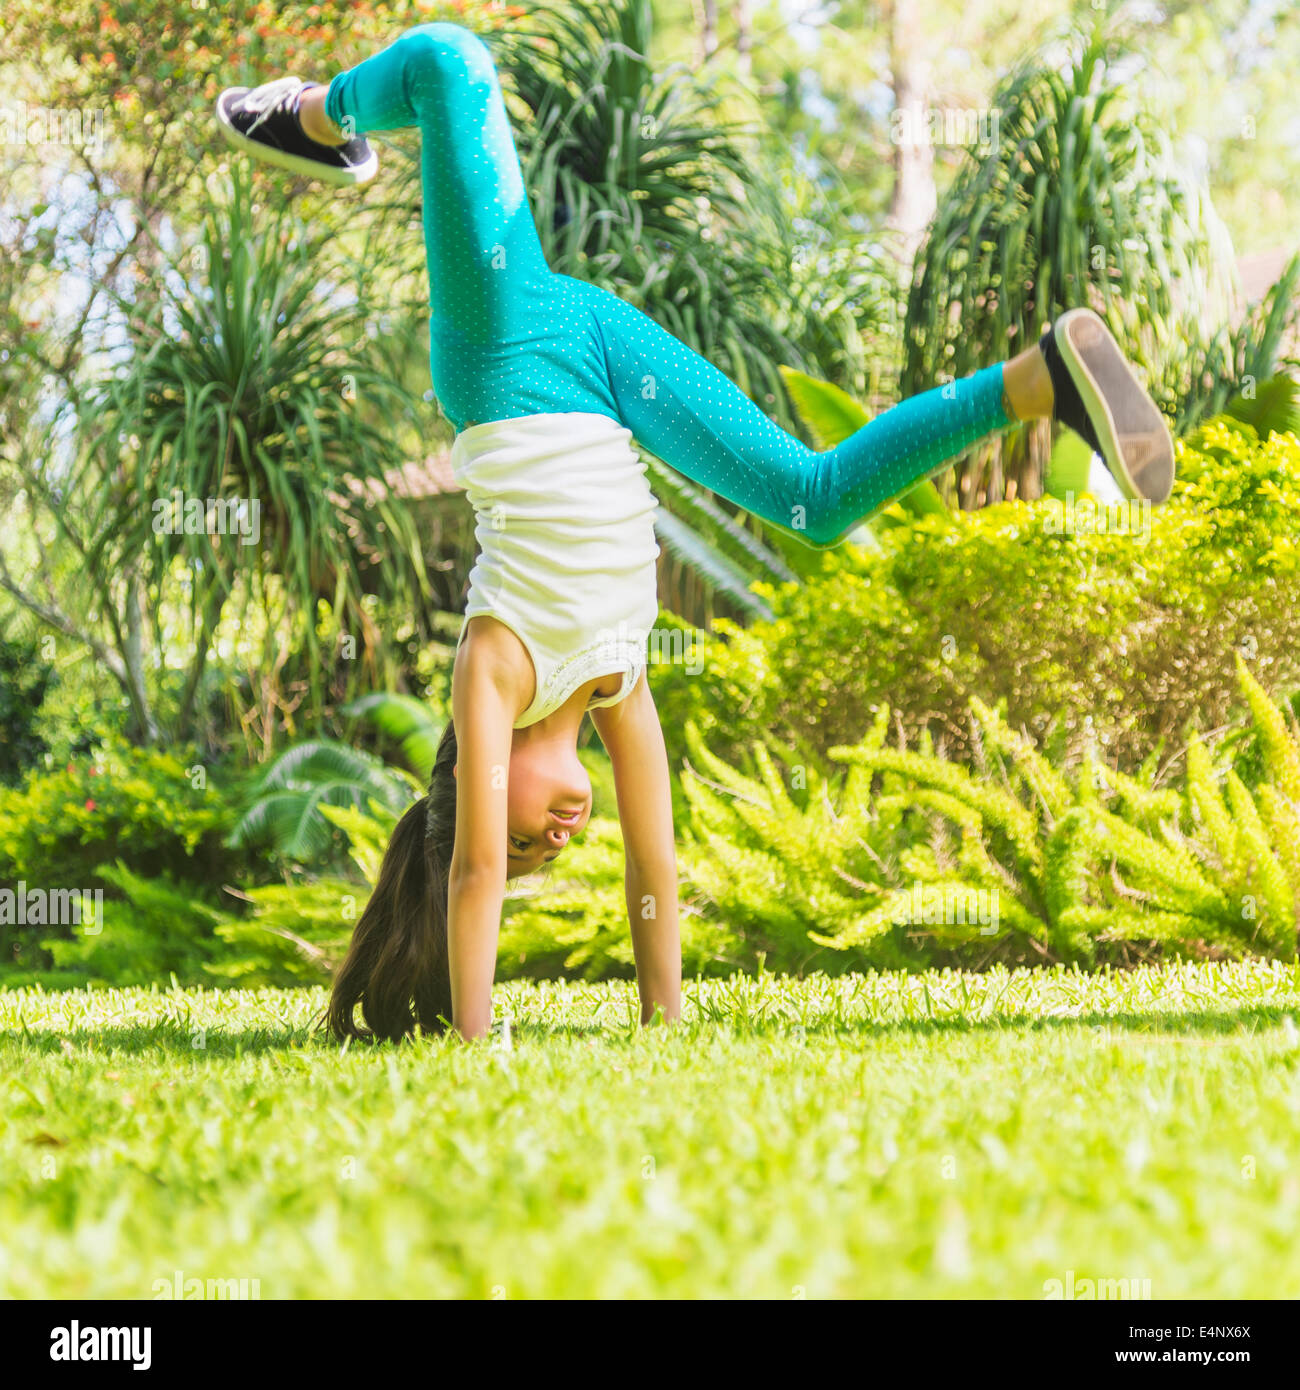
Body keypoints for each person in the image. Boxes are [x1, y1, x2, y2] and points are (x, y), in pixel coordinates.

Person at [215, 21, 1175, 1043]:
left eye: (528, 840)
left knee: (452, 64)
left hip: (499, 350)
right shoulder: (619, 678)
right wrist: (663, 1023)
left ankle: (313, 116)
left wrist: (473, 1038)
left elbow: (474, 871)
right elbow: (652, 864)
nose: (555, 841)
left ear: (473, 789)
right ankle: (1033, 381)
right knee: (815, 492)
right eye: (554, 855)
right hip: (598, 370)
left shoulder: (494, 664)